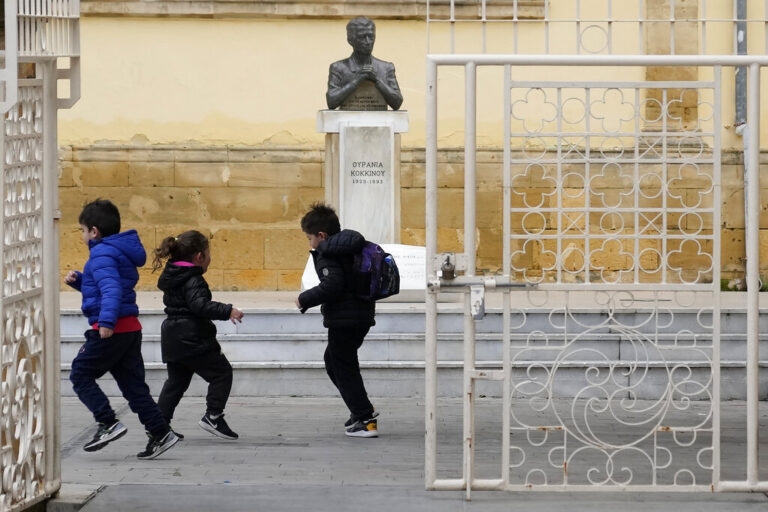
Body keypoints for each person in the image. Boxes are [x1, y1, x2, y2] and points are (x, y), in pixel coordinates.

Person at [65, 199, 180, 460]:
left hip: (112, 329)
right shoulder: (117, 252)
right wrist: (80, 282)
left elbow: (112, 290)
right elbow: (106, 287)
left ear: (94, 231)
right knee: (133, 386)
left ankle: (107, 422)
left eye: (82, 230)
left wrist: (106, 323)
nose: (82, 236)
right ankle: (161, 432)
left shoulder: (102, 254)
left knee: (80, 374)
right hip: (129, 328)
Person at [296, 203, 379, 437]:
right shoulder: (351, 245)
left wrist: (304, 299)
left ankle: (365, 418)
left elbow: (332, 285)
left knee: (343, 365)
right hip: (361, 314)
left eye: (309, 238)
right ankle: (360, 407)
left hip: (343, 319)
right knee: (334, 360)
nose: (310, 243)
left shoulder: (327, 252)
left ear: (321, 235)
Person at [152, 230, 244, 440]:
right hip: (192, 337)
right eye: (208, 254)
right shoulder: (193, 279)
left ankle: (158, 426)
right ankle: (213, 415)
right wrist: (227, 310)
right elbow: (200, 305)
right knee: (221, 373)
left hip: (172, 336)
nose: (210, 259)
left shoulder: (172, 275)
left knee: (175, 382)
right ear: (199, 257)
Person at [326, 17, 403, 111]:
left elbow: (397, 102)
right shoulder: (338, 68)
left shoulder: (386, 68)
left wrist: (377, 80)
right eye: (362, 37)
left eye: (371, 37)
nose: (368, 42)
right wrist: (356, 80)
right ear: (350, 40)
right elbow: (331, 102)